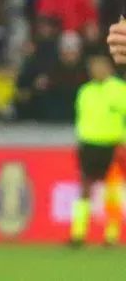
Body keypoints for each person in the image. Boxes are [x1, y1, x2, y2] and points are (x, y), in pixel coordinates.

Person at [69, 52, 126, 247]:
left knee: (112, 190)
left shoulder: (119, 89)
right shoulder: (85, 91)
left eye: (100, 66)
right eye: (93, 67)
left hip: (112, 145)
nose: (96, 71)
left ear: (109, 69)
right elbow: (81, 119)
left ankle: (111, 236)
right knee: (84, 187)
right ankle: (78, 234)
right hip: (88, 144)